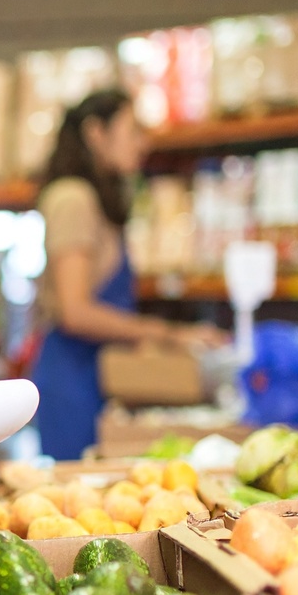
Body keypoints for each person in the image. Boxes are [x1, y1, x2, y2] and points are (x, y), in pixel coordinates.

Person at [30, 89, 224, 461]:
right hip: (74, 382)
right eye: (133, 130)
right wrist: (169, 335)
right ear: (96, 133)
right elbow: (75, 312)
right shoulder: (72, 199)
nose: (143, 143)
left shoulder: (98, 200)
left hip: (98, 374)